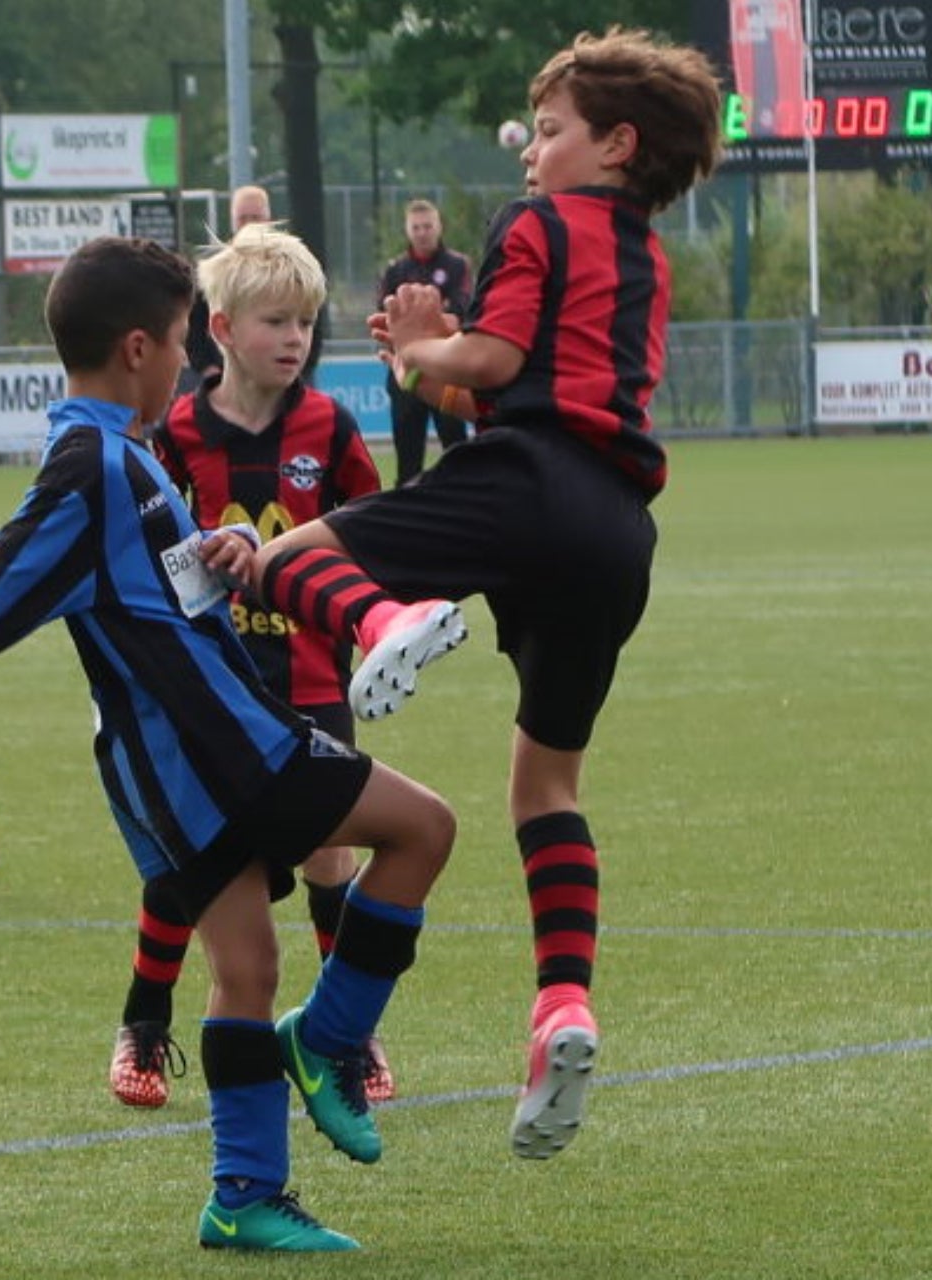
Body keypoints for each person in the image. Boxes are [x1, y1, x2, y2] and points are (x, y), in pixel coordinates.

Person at [0, 235, 455, 1253]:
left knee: (247, 965)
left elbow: (153, 590)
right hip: (222, 747)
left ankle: (244, 1194)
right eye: (179, 342)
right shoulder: (92, 466)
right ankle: (329, 1040)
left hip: (172, 764)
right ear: (138, 348)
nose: (186, 362)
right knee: (424, 829)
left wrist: (230, 552)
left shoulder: (122, 456)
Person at [207, 26, 723, 1162]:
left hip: (526, 483)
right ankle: (561, 1005)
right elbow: (527, 384)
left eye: (549, 130)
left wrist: (427, 349)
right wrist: (440, 361)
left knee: (285, 559)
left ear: (615, 145)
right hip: (617, 528)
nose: (531, 153)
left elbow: (493, 366)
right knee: (546, 785)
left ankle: (390, 620)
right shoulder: (648, 257)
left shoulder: (537, 224)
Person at [108, 221, 393, 1111]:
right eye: (276, 321)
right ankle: (144, 1021)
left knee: (330, 855)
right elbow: (143, 548)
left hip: (311, 676)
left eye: (305, 322)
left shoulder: (328, 426)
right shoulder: (177, 432)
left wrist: (369, 610)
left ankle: (345, 1035)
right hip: (213, 688)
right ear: (224, 330)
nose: (294, 338)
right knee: (192, 859)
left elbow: (371, 526)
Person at [378, 199, 473, 483]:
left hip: (447, 369)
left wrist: (417, 318)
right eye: (416, 227)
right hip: (407, 372)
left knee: (456, 449)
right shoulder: (395, 269)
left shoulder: (457, 265)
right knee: (408, 457)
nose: (422, 233)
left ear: (439, 227)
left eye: (427, 226)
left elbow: (461, 308)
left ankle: (464, 501)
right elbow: (386, 314)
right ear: (407, 230)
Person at [181, 185, 273, 392]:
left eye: (255, 217)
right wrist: (206, 366)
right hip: (222, 379)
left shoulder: (290, 265)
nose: (249, 225)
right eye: (243, 218)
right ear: (233, 222)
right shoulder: (212, 269)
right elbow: (193, 324)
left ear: (268, 220)